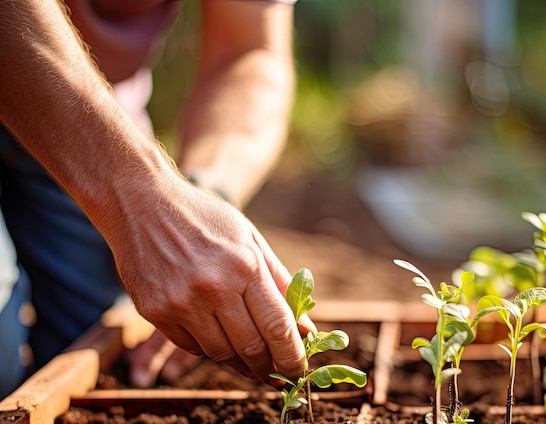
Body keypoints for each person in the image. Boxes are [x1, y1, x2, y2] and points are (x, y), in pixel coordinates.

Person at [0, 0, 314, 399]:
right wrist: (137, 193)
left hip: (95, 111)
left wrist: (201, 198)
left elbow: (249, 52)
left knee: (88, 347)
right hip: (79, 117)